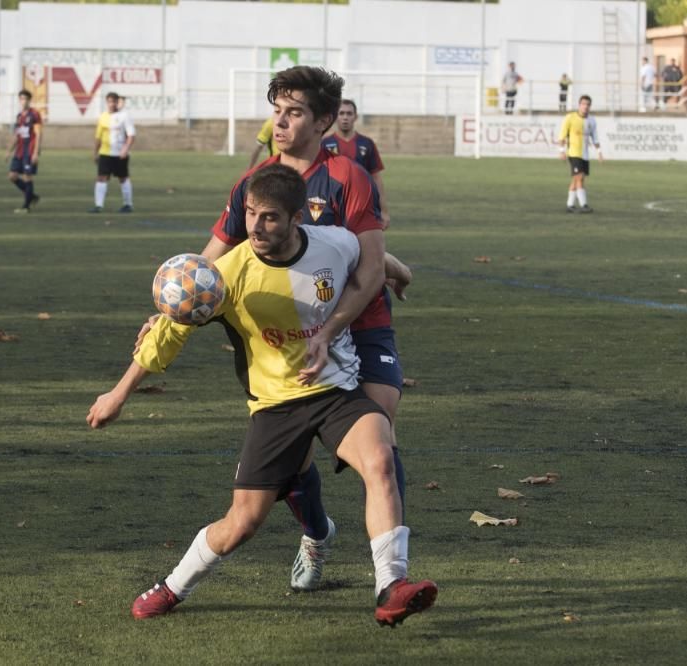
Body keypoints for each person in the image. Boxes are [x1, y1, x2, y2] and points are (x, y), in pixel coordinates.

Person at [89, 164, 437, 626]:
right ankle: (173, 587)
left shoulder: (332, 241)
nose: (254, 226)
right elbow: (167, 337)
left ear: (298, 219)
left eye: (269, 217)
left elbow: (367, 257)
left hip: (337, 392)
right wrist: (118, 394)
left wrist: (398, 272)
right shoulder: (225, 274)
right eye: (251, 213)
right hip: (275, 406)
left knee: (381, 460)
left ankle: (391, 586)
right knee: (243, 523)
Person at [136, 66, 410, 594]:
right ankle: (315, 534)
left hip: (358, 323)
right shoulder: (254, 184)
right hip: (277, 333)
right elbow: (206, 268)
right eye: (276, 111)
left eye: (294, 112)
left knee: (380, 441)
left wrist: (334, 326)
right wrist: (173, 304)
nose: (280, 122)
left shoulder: (346, 176)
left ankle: (391, 578)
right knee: (294, 456)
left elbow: (369, 264)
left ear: (325, 121)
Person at [320, 98, 391, 229]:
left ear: (355, 117)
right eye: (341, 113)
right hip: (332, 205)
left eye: (349, 113)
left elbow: (376, 178)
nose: (345, 117)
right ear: (335, 116)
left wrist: (384, 211)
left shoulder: (366, 143)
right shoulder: (324, 143)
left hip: (361, 204)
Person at [90, 91, 135, 213]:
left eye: (114, 101)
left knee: (123, 178)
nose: (111, 104)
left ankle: (128, 204)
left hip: (120, 154)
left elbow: (131, 136)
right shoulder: (102, 117)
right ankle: (98, 205)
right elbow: (98, 137)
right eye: (109, 102)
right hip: (105, 153)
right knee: (101, 177)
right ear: (107, 102)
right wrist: (95, 152)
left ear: (117, 102)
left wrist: (125, 149)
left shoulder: (125, 116)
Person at [558, 94, 603, 214]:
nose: (585, 107)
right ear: (579, 105)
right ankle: (584, 205)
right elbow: (562, 136)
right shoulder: (570, 117)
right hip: (573, 153)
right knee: (580, 177)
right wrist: (562, 151)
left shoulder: (592, 120)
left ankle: (570, 205)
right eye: (583, 104)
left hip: (585, 155)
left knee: (576, 180)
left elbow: (595, 137)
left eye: (588, 104)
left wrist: (599, 152)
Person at [5, 89, 42, 214]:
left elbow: (38, 134)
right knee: (12, 176)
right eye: (21, 99)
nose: (23, 101)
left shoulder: (34, 114)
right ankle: (31, 196)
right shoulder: (19, 116)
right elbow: (17, 135)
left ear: (29, 100)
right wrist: (9, 151)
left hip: (30, 150)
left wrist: (36, 152)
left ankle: (26, 206)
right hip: (19, 151)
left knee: (27, 176)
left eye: (25, 99)